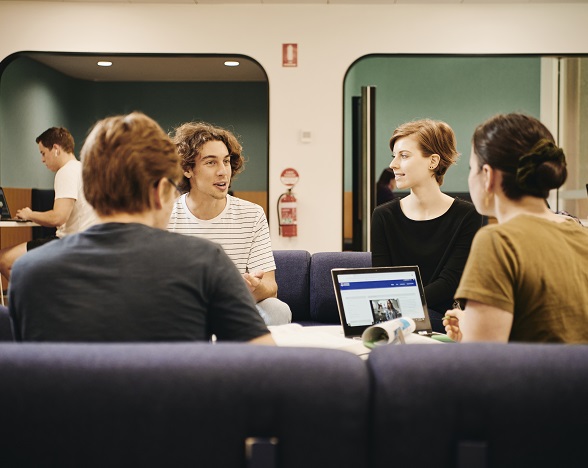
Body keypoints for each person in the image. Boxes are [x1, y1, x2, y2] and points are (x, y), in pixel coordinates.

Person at [8, 112, 275, 345]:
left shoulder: (28, 272)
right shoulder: (205, 263)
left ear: (88, 189)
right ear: (161, 192)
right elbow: (265, 370)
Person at [444, 113, 588, 343]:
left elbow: (480, 364)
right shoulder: (580, 234)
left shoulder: (498, 241)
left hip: (532, 379)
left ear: (488, 176)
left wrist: (470, 338)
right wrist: (473, 328)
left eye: (472, 168)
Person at [168, 121, 292, 326]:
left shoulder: (252, 214)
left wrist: (251, 287)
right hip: (184, 311)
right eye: (211, 162)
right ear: (187, 169)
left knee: (277, 310)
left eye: (225, 161)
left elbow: (271, 286)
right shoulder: (166, 216)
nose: (223, 171)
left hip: (236, 309)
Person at [371, 119, 483, 333]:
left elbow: (450, 282)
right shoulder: (383, 215)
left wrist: (398, 305)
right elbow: (382, 280)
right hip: (395, 318)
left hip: (446, 322)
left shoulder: (467, 215)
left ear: (433, 161)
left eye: (403, 156)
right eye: (394, 156)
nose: (393, 164)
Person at [0, 127, 97, 279]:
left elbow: (58, 217)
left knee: (3, 259)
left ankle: (28, 301)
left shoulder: (66, 172)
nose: (42, 159)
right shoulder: (84, 170)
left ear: (56, 149)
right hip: (87, 243)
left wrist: (30, 214)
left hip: (68, 243)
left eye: (43, 153)